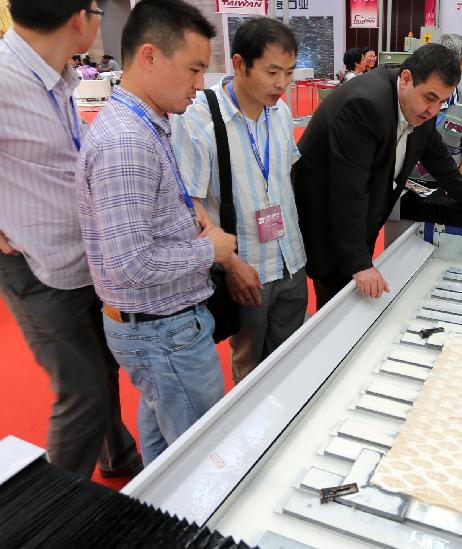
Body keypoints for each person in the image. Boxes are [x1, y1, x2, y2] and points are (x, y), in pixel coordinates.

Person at [76, 0, 236, 466]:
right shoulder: (127, 141)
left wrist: (191, 220)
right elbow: (132, 263)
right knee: (201, 459)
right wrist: (211, 248)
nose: (198, 84)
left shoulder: (147, 124)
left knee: (166, 456)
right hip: (163, 331)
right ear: (149, 56)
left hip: (158, 329)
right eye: (193, 69)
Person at [0, 0, 141, 479]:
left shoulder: (60, 76)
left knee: (102, 370)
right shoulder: (3, 79)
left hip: (82, 254)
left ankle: (117, 455)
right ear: (80, 18)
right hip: (35, 265)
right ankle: (57, 511)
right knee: (81, 392)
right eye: (99, 9)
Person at [292, 43, 462, 309]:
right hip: (327, 215)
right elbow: (347, 191)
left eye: (442, 101)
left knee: (355, 293)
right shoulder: (364, 105)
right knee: (337, 303)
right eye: (430, 98)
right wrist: (359, 264)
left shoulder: (419, 105)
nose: (434, 109)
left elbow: (437, 156)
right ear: (405, 78)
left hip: (359, 210)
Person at [172, 17, 308, 384]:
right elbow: (190, 205)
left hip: (291, 261)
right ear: (238, 64)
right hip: (247, 271)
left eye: (290, 72)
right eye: (272, 71)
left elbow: (283, 178)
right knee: (251, 370)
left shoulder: (280, 111)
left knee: (292, 359)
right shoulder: (198, 117)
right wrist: (230, 265)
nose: (282, 84)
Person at [412, 33, 462, 184]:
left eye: (457, 69)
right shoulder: (412, 96)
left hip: (442, 188)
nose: (450, 75)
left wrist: (453, 188)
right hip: (401, 185)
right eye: (444, 67)